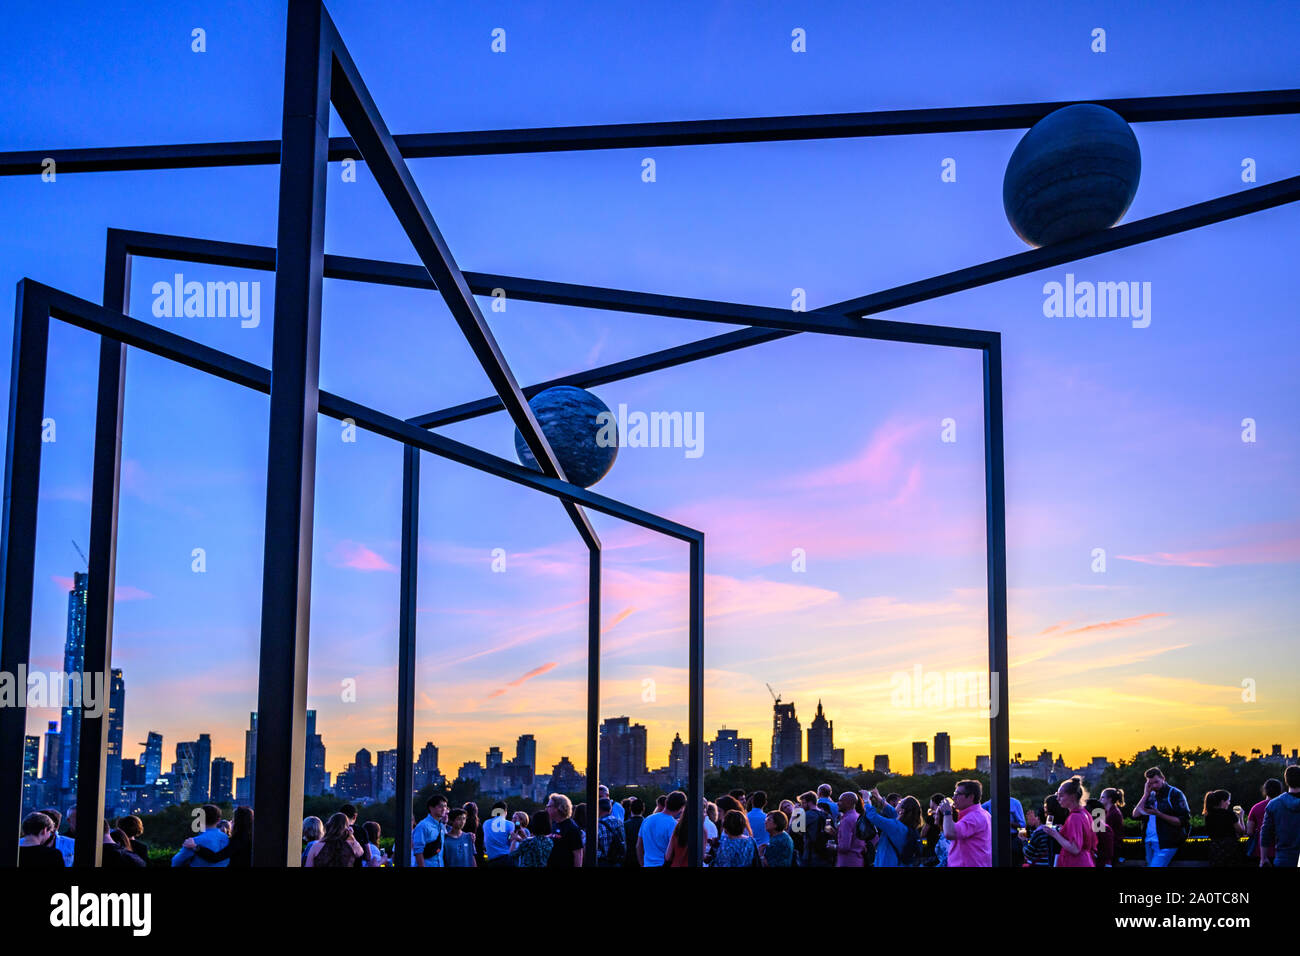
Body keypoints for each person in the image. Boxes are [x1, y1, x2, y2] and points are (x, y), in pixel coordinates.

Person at [1131, 767, 1190, 867]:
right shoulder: (1149, 794)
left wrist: (1159, 814)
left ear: (1163, 778)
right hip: (1149, 841)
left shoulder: (1174, 793)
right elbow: (1135, 815)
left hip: (1167, 842)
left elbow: (1183, 820)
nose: (1154, 785)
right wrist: (1145, 795)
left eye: (1156, 782)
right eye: (1150, 783)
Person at [860, 788, 923, 867]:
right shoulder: (906, 827)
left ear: (902, 811)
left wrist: (866, 801)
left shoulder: (895, 826)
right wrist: (879, 798)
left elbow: (873, 817)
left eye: (900, 802)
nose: (897, 803)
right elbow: (893, 812)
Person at [1044, 776, 1096, 867]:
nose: (1057, 798)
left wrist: (1055, 834)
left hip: (1076, 862)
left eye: (1061, 795)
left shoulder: (1075, 817)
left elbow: (1075, 849)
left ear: (1073, 796)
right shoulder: (1084, 813)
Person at [940, 779, 991, 867]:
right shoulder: (983, 813)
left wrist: (947, 813)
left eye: (957, 794)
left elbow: (950, 833)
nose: (953, 798)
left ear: (971, 797)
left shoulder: (973, 818)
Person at [185, 805, 253, 867]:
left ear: (238, 823)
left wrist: (195, 847)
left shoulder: (240, 839)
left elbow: (216, 857)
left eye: (233, 820)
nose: (231, 822)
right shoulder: (251, 838)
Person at [1260, 764, 1300, 868]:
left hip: (1283, 858)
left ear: (1286, 781)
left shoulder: (1274, 804)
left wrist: (1263, 858)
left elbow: (1265, 833)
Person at [638, 790, 685, 867]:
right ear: (682, 808)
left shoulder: (647, 819)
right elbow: (674, 851)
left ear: (666, 802)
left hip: (647, 864)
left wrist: (642, 864)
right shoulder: (673, 825)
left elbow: (639, 845)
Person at [1201, 789, 1245, 867]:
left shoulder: (1208, 816)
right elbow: (1241, 831)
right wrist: (1241, 817)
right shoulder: (1230, 814)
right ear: (1222, 801)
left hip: (1215, 850)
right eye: (1228, 800)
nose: (1229, 803)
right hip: (1230, 849)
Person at [982, 794, 1026, 867]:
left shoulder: (1015, 803)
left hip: (1011, 840)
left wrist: (1006, 821)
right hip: (993, 839)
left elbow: (1022, 824)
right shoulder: (988, 804)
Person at [1247, 778, 1282, 865]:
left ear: (1265, 790)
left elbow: (1249, 832)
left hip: (1260, 852)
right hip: (1281, 850)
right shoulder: (1284, 806)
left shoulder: (1256, 807)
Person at [546, 793, 584, 868]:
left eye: (549, 806)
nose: (547, 809)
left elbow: (578, 854)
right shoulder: (554, 824)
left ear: (558, 808)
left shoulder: (572, 828)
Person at [796, 791, 833, 867]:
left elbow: (793, 829)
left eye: (803, 803)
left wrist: (795, 812)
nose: (802, 806)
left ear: (809, 803)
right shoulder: (826, 814)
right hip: (825, 853)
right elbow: (830, 831)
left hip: (811, 854)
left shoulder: (808, 814)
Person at [412, 794, 449, 867]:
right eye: (440, 806)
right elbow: (418, 851)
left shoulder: (442, 826)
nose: (444, 809)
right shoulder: (423, 826)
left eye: (445, 806)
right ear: (431, 808)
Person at [834, 791, 867, 867]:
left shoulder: (847, 820)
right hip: (858, 860)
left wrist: (833, 846)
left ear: (848, 803)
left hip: (846, 861)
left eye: (840, 801)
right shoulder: (858, 816)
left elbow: (844, 847)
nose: (837, 803)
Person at [483, 799, 516, 868]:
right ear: (505, 812)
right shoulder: (510, 824)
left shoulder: (485, 823)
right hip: (506, 859)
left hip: (491, 860)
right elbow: (510, 839)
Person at [1099, 788, 1126, 866]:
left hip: (1113, 849)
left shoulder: (1113, 814)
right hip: (1112, 848)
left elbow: (1104, 833)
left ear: (1109, 799)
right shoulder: (1109, 812)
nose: (1100, 799)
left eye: (1102, 797)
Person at [596, 797, 626, 867]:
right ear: (610, 809)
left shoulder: (598, 825)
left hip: (602, 862)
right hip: (617, 861)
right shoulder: (619, 822)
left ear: (599, 809)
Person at [1023, 802, 1055, 867]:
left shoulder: (1039, 833)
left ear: (1039, 818)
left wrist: (1024, 841)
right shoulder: (1052, 830)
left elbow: (1028, 853)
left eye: (1036, 817)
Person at [923, 794, 949, 866]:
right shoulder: (947, 814)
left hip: (932, 845)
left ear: (933, 802)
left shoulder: (932, 816)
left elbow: (924, 832)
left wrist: (923, 843)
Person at [622, 796, 644, 868]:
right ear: (643, 809)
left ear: (630, 809)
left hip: (629, 858)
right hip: (644, 857)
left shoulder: (625, 825)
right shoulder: (646, 823)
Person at [462, 802, 485, 866]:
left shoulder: (462, 824)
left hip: (466, 853)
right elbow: (481, 841)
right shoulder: (478, 825)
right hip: (478, 853)